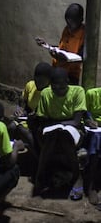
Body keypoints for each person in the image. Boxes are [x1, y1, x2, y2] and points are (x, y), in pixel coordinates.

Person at [32, 67, 87, 198]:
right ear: (50, 85)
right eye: (54, 88)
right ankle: (40, 175)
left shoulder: (78, 92)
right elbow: (42, 120)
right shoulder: (46, 93)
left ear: (67, 82)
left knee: (64, 136)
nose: (58, 92)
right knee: (52, 137)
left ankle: (77, 176)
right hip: (52, 128)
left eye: (61, 88)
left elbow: (76, 121)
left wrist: (59, 124)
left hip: (70, 128)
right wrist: (57, 125)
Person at [36, 3, 85, 85]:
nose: (69, 27)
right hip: (57, 68)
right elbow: (62, 48)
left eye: (71, 24)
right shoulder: (66, 30)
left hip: (71, 74)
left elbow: (80, 57)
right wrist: (48, 46)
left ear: (80, 20)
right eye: (67, 23)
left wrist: (64, 58)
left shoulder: (84, 33)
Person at [83, 88, 101, 205]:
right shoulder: (92, 94)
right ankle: (91, 185)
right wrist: (89, 120)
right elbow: (85, 113)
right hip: (94, 130)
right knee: (96, 138)